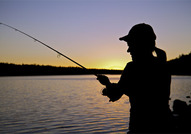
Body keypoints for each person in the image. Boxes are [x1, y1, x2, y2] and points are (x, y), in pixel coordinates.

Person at [97, 23, 172, 133]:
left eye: (130, 44)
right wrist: (112, 86)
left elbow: (115, 95)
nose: (128, 50)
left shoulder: (132, 68)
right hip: (163, 126)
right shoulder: (163, 66)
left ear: (140, 44)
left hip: (139, 128)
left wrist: (107, 84)